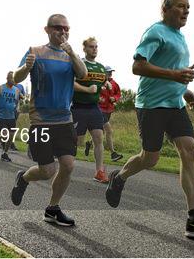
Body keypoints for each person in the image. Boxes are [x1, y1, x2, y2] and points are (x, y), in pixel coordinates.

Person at [105, 0, 194, 238]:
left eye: (189, 7)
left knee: (190, 150)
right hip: (151, 105)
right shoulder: (155, 32)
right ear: (166, 8)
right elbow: (137, 66)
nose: (186, 11)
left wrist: (185, 91)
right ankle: (119, 176)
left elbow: (174, 72)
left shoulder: (181, 38)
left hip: (174, 105)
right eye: (181, 6)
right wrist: (175, 76)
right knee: (150, 158)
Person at [10, 13, 87, 226]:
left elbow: (82, 74)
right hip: (41, 121)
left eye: (66, 28)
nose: (62, 32)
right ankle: (23, 178)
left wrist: (72, 53)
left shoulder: (71, 55)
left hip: (64, 119)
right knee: (47, 171)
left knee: (68, 165)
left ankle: (52, 209)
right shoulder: (35, 51)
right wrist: (26, 67)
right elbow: (15, 79)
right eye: (58, 28)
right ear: (47, 29)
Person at [72, 37, 109, 183]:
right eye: (91, 47)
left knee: (99, 138)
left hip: (94, 109)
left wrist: (106, 84)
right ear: (85, 49)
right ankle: (63, 166)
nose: (94, 49)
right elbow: (70, 83)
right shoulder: (79, 64)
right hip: (78, 108)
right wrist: (87, 89)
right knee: (77, 142)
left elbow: (101, 81)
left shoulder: (101, 67)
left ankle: (99, 172)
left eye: (96, 47)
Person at [0, 71, 21, 162]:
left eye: (15, 79)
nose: (14, 80)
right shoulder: (0, 88)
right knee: (5, 134)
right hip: (1, 116)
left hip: (11, 116)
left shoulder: (17, 90)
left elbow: (17, 101)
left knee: (10, 136)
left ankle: (5, 153)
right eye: (12, 78)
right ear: (7, 78)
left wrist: (17, 108)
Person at [98, 66, 124, 161]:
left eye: (111, 72)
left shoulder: (114, 84)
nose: (110, 73)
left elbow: (118, 94)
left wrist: (115, 98)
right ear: (104, 73)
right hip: (100, 110)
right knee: (109, 131)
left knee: (100, 132)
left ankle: (89, 143)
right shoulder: (99, 82)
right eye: (108, 72)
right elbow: (94, 92)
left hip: (109, 110)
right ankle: (113, 153)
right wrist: (98, 98)